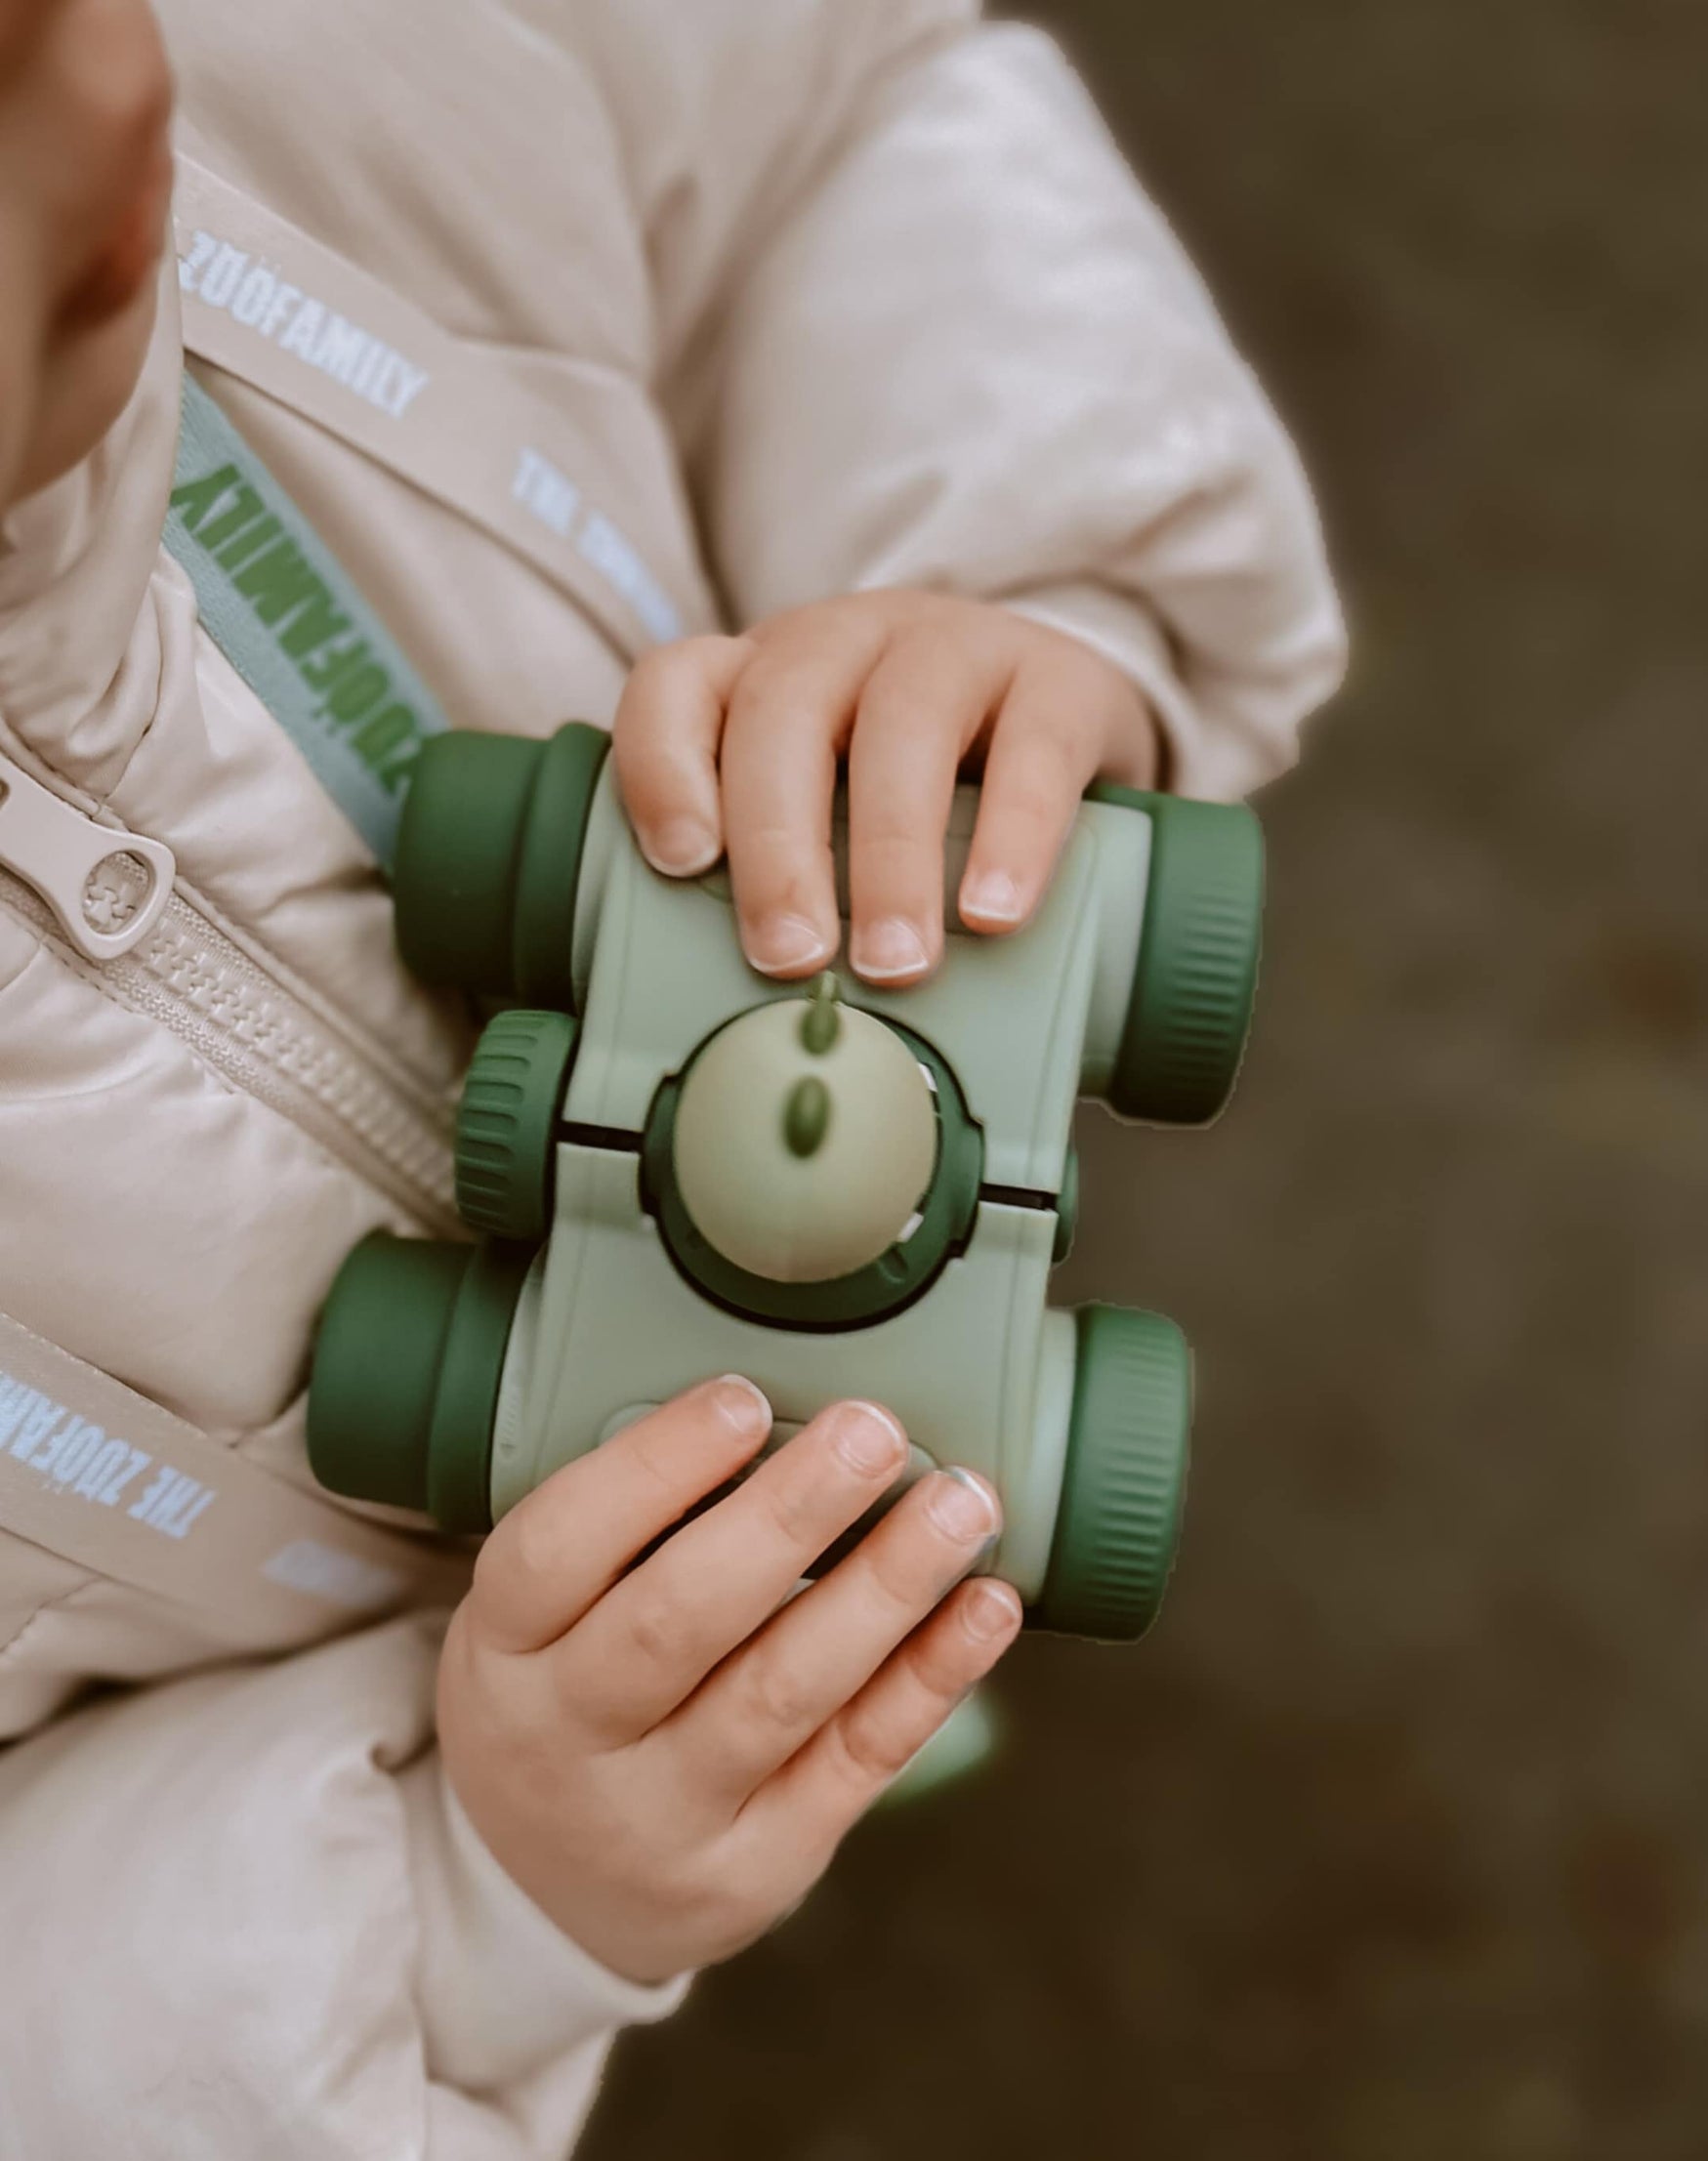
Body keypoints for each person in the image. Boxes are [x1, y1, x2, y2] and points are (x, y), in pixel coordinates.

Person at [0, 0, 1344, 2150]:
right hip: (331, 1718)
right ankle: (823, 1650)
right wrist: (468, 1903)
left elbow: (841, 98)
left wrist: (1013, 581)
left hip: (798, 987)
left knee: (882, 1580)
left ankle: (865, 1613)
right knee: (788, 1651)